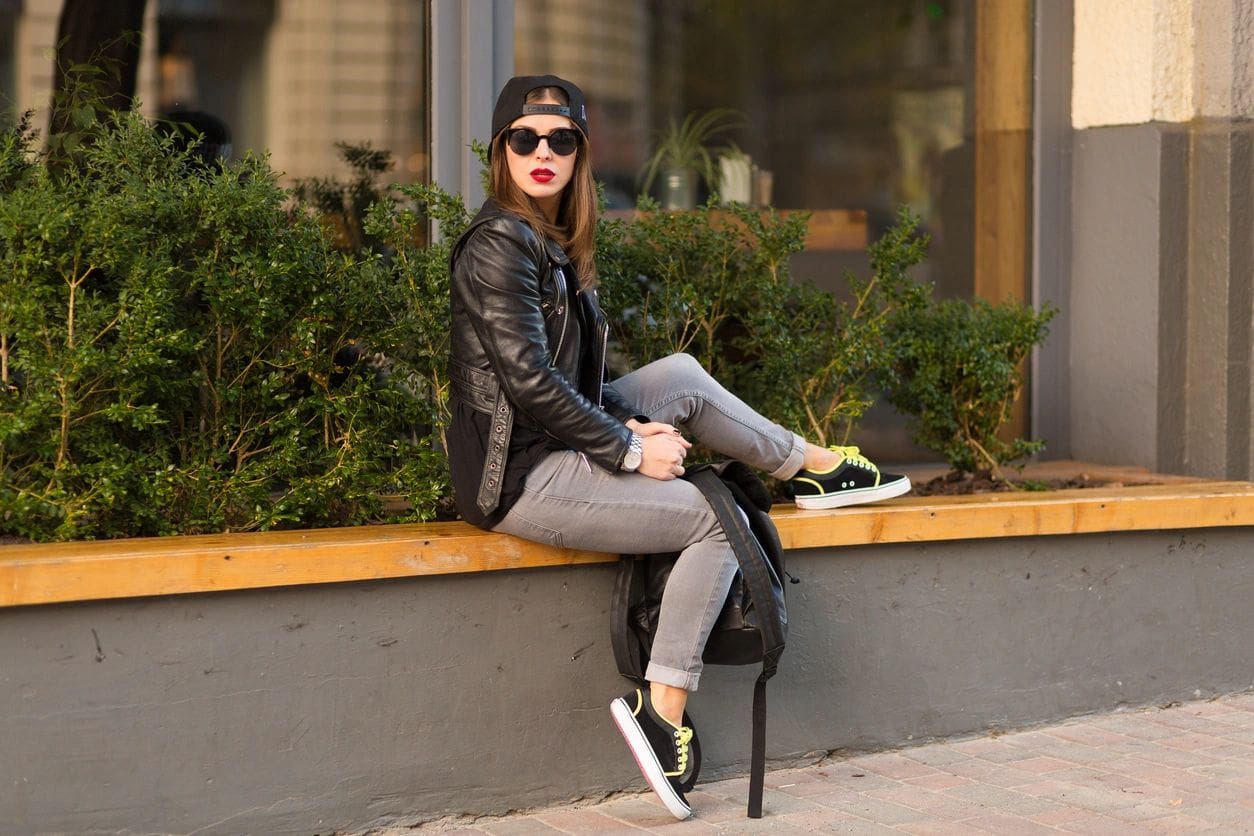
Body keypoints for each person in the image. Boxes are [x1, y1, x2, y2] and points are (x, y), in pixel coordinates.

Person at [447, 74, 911, 820]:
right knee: (708, 517)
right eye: (524, 139)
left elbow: (558, 381)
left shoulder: (552, 240)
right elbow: (528, 383)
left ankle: (813, 468)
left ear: (579, 154)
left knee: (681, 381)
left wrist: (626, 427)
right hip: (520, 475)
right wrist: (629, 453)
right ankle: (663, 715)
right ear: (501, 151)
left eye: (561, 139)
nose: (543, 152)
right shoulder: (500, 243)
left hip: (552, 440)